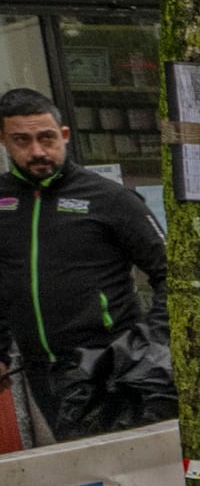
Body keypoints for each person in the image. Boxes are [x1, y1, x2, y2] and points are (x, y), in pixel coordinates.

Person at [0, 86, 171, 436]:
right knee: (79, 474)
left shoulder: (109, 198)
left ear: (64, 135)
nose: (37, 151)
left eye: (47, 138)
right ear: (3, 140)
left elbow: (173, 274)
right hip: (40, 368)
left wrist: (149, 341)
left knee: (122, 467)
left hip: (109, 365)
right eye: (22, 140)